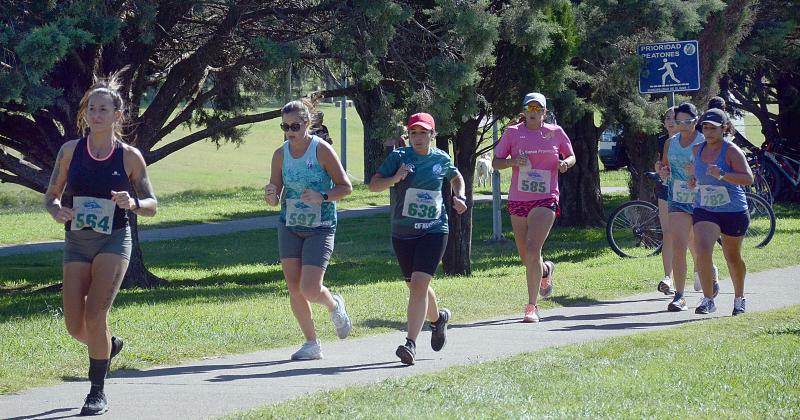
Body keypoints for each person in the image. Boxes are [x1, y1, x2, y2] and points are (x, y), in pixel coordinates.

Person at [43, 71, 158, 416]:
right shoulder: (69, 151)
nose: (96, 115)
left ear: (117, 116)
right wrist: (57, 211)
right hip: (76, 243)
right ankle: (110, 345)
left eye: (103, 110)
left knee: (96, 314)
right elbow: (51, 196)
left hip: (113, 240)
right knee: (75, 325)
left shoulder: (129, 157)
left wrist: (133, 203)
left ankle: (96, 392)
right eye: (91, 109)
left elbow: (152, 204)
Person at [369, 112, 466, 365]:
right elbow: (374, 185)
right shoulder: (399, 157)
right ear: (408, 136)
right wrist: (395, 178)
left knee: (420, 284)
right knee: (415, 287)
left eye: (423, 133)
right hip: (403, 232)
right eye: (414, 133)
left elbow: (456, 177)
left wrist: (460, 196)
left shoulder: (441, 158)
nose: (418, 138)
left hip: (434, 229)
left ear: (432, 135)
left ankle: (410, 344)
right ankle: (438, 320)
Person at [264, 99, 353, 361]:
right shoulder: (280, 154)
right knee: (294, 288)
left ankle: (334, 305)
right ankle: (311, 343)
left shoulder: (321, 150)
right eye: (285, 126)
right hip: (290, 224)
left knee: (310, 288)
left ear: (307, 123)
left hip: (321, 226)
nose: (290, 131)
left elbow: (345, 187)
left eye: (294, 126)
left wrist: (322, 196)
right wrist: (270, 195)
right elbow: (275, 193)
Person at [492, 92, 575, 323]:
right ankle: (545, 270)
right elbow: (496, 162)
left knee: (532, 248)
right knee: (526, 256)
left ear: (544, 112)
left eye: (539, 109)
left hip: (545, 197)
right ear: (524, 111)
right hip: (518, 199)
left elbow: (571, 155)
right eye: (530, 108)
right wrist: (511, 162)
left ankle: (531, 306)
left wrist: (565, 163)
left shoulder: (555, 133)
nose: (534, 112)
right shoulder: (512, 133)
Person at [689, 109, 753, 315]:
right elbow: (697, 175)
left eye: (713, 128)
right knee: (702, 250)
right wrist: (694, 182)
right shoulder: (697, 149)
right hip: (705, 208)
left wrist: (723, 174)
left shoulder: (732, 151)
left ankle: (739, 298)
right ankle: (708, 299)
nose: (708, 131)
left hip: (733, 210)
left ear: (724, 128)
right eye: (705, 127)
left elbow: (747, 178)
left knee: (732, 256)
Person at [658, 102, 717, 312]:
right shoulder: (670, 142)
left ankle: (709, 287)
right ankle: (680, 296)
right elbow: (664, 166)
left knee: (701, 248)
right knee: (678, 246)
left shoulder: (703, 142)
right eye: (678, 121)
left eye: (687, 121)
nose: (682, 125)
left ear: (696, 121)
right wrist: (662, 171)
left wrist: (697, 173)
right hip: (677, 198)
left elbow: (714, 171)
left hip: (701, 199)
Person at [655, 106, 679, 295]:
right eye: (667, 118)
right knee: (668, 233)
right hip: (666, 189)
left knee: (693, 235)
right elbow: (661, 165)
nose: (670, 121)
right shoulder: (662, 141)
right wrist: (658, 168)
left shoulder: (693, 141)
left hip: (687, 191)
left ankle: (702, 271)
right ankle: (668, 278)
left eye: (674, 118)